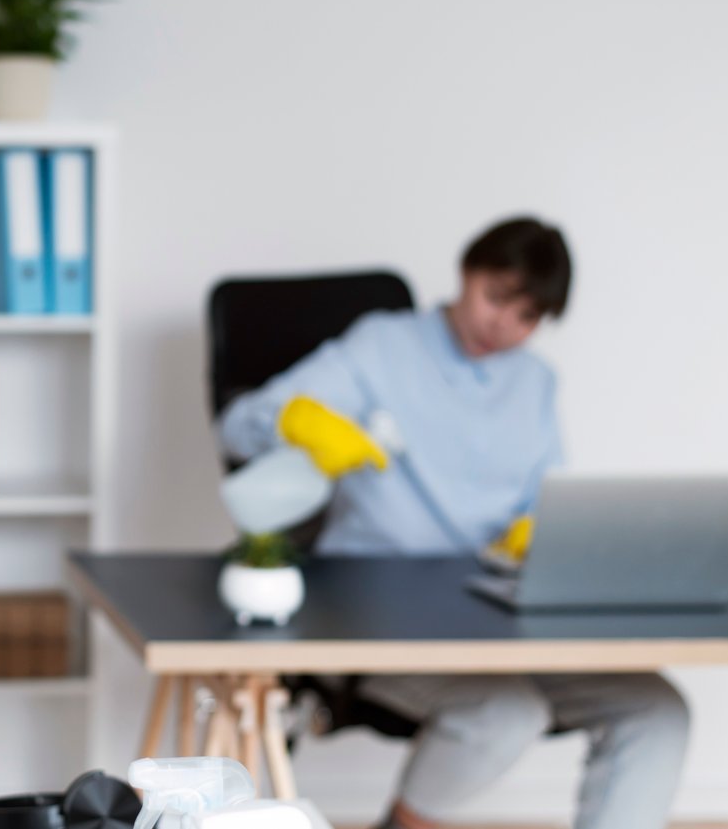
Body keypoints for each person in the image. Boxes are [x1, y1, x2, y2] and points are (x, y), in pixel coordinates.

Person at [215, 217, 689, 829]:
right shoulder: (382, 346)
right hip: (381, 608)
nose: (503, 324)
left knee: (657, 710)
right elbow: (239, 426)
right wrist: (295, 421)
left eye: (527, 316)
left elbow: (548, 498)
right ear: (467, 272)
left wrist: (542, 531)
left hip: (499, 610)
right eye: (495, 297)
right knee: (505, 713)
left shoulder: (536, 384)